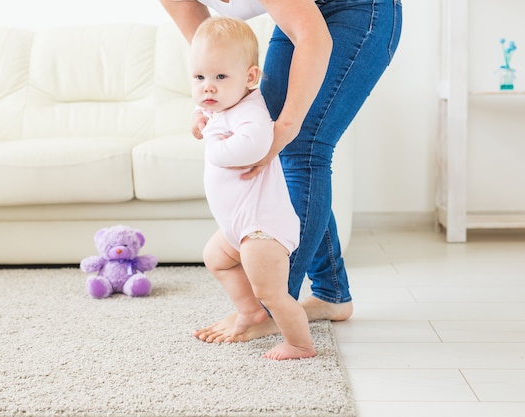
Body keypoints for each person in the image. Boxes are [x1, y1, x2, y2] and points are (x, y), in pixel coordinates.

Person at [160, 0, 403, 342]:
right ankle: (331, 293)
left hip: (359, 8)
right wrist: (208, 102)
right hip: (300, 13)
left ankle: (275, 305)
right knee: (287, 145)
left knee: (302, 146)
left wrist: (287, 126)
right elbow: (206, 48)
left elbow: (314, 37)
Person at [191, 16, 315, 360]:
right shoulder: (223, 106)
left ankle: (299, 344)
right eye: (199, 77)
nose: (207, 87)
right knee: (215, 259)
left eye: (219, 77)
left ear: (249, 78)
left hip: (262, 228)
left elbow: (254, 146)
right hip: (239, 226)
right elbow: (207, 113)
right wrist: (200, 119)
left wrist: (214, 143)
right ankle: (249, 311)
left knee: (272, 292)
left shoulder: (251, 112)